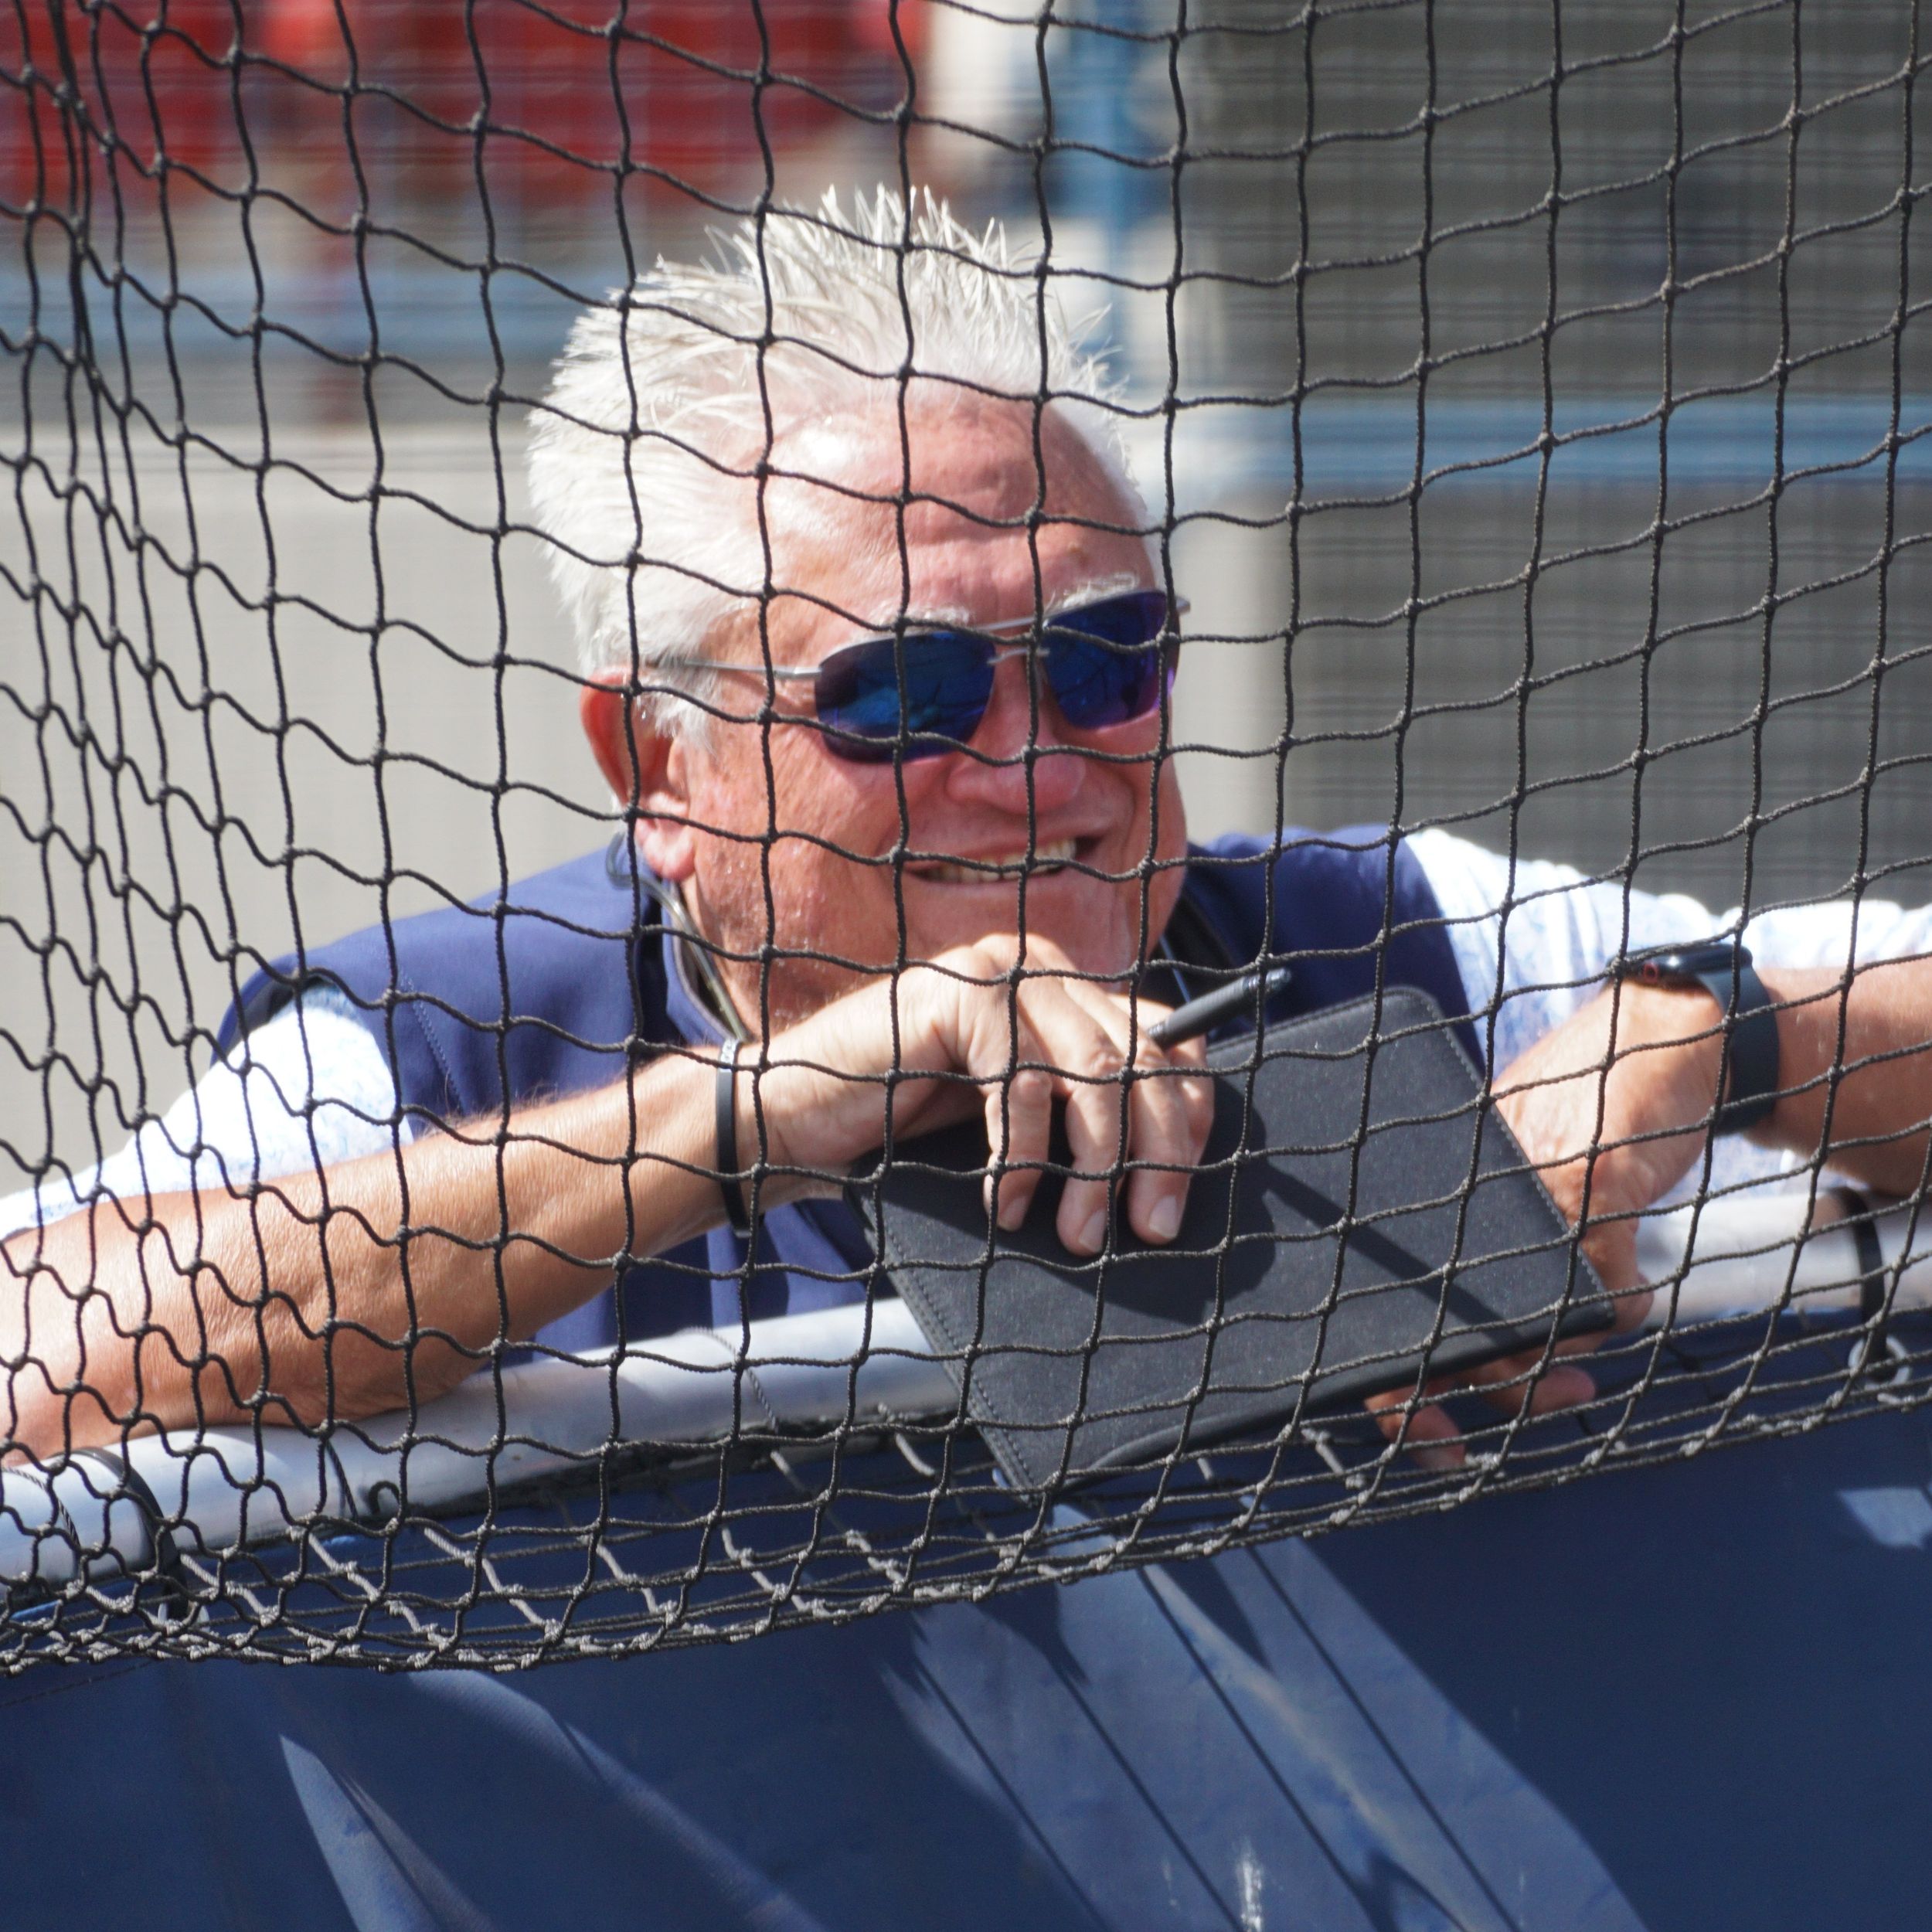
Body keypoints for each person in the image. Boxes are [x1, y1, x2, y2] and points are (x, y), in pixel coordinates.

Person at [5, 188, 1932, 1471]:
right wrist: (756, 1110)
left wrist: (1696, 1033)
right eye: (908, 695)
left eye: (1104, 662)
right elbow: (39, 1341)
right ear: (658, 769)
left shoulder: (1381, 930)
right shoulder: (452, 1030)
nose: (1037, 762)